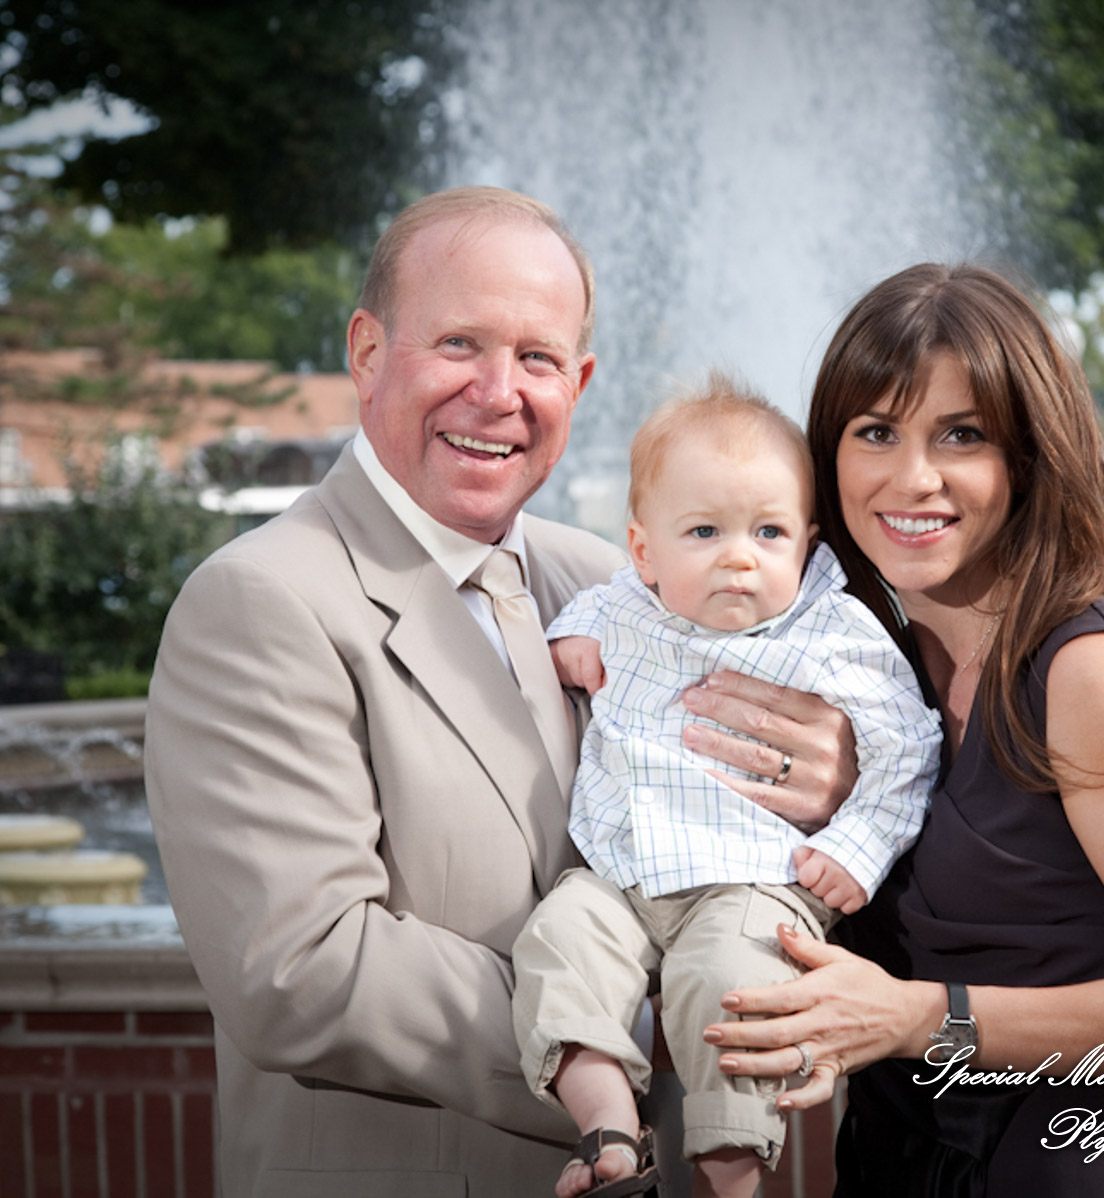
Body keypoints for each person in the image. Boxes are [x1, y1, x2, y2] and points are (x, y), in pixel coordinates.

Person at [144, 186, 854, 1198]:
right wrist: (623, 1041)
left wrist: (824, 777)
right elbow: (300, 967)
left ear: (581, 380)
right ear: (366, 352)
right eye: (459, 344)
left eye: (537, 358)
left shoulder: (611, 585)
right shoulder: (261, 600)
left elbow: (727, 819)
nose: (497, 392)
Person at [700, 263, 1104, 1196]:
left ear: (1029, 456)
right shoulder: (875, 674)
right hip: (889, 1163)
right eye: (875, 432)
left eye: (961, 435)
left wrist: (927, 1018)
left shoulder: (1093, 671)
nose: (912, 477)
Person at [512, 380, 941, 1197]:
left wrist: (855, 846)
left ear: (809, 544)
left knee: (734, 988)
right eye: (704, 531)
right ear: (644, 551)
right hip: (622, 874)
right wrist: (569, 646)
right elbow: (576, 624)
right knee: (558, 942)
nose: (739, 555)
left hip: (753, 879)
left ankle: (733, 1178)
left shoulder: (834, 632)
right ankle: (607, 1130)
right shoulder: (623, 605)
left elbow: (908, 752)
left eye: (769, 531)